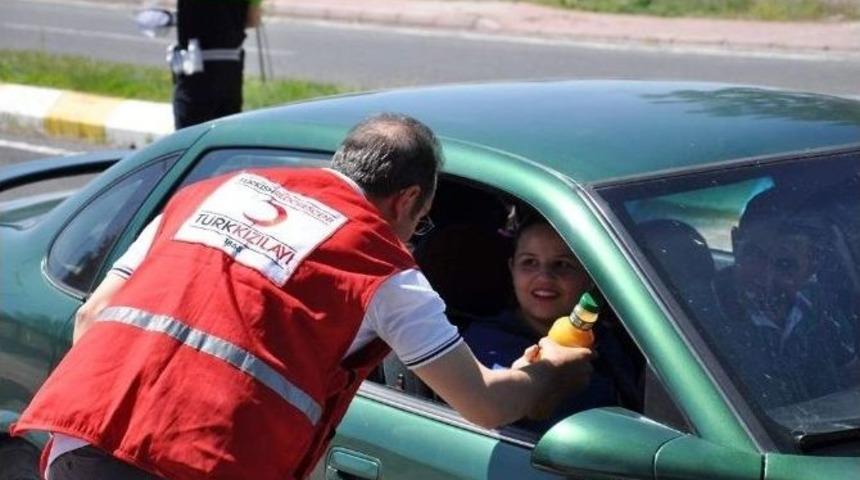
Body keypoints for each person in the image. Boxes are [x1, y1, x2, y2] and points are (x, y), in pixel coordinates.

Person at [12, 114, 593, 479]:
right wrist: (554, 373)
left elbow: (92, 318)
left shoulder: (212, 193)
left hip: (80, 443)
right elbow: (484, 406)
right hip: (202, 464)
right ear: (407, 199)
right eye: (419, 222)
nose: (413, 236)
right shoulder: (382, 266)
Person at [463, 216, 633, 429]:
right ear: (512, 269)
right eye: (529, 262)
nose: (544, 276)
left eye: (562, 264)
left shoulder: (614, 335)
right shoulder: (483, 346)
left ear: (590, 275)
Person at [714, 187, 858, 405]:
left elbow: (848, 376)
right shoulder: (697, 320)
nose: (765, 278)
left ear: (812, 266)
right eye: (754, 255)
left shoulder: (824, 310)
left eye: (785, 265)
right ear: (735, 242)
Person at [171, 0, 262, 129]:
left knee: (188, 139)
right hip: (230, 71)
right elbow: (253, 19)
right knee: (225, 136)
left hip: (195, 71)